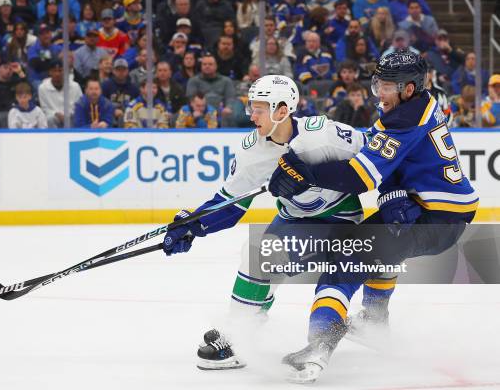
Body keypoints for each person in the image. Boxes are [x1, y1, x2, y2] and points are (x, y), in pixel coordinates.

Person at [266, 51, 478, 381]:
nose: (379, 92)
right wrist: (392, 190)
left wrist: (305, 172)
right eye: (378, 83)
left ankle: (319, 346)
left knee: (345, 259)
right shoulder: (417, 105)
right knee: (382, 242)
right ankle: (373, 321)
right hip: (440, 214)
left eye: (388, 86)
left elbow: (358, 178)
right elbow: (389, 159)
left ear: (410, 89)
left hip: (433, 219)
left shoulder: (404, 119)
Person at [161, 75, 373, 379]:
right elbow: (231, 203)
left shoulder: (323, 135)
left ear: (283, 110)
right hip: (293, 218)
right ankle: (240, 332)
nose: (252, 115)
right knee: (258, 256)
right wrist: (194, 224)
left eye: (260, 108)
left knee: (260, 252)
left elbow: (376, 155)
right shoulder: (252, 150)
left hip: (338, 218)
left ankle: (238, 332)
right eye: (251, 107)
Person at [185, 53, 237, 126]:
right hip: (200, 113)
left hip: (222, 114)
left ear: (216, 66)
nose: (207, 66)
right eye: (204, 64)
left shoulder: (226, 81)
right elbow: (191, 99)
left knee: (232, 114)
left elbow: (230, 98)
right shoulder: (193, 81)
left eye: (210, 64)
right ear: (201, 66)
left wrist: (228, 107)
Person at [38, 60, 83, 128]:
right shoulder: (42, 88)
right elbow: (45, 109)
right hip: (53, 119)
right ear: (50, 72)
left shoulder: (75, 86)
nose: (57, 74)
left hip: (71, 117)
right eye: (54, 71)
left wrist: (68, 115)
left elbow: (79, 105)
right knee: (50, 119)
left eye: (60, 70)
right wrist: (56, 114)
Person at [0, 58, 28, 127]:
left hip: (17, 112)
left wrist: (20, 72)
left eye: (10, 68)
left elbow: (28, 89)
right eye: (5, 67)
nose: (9, 70)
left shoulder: (15, 82)